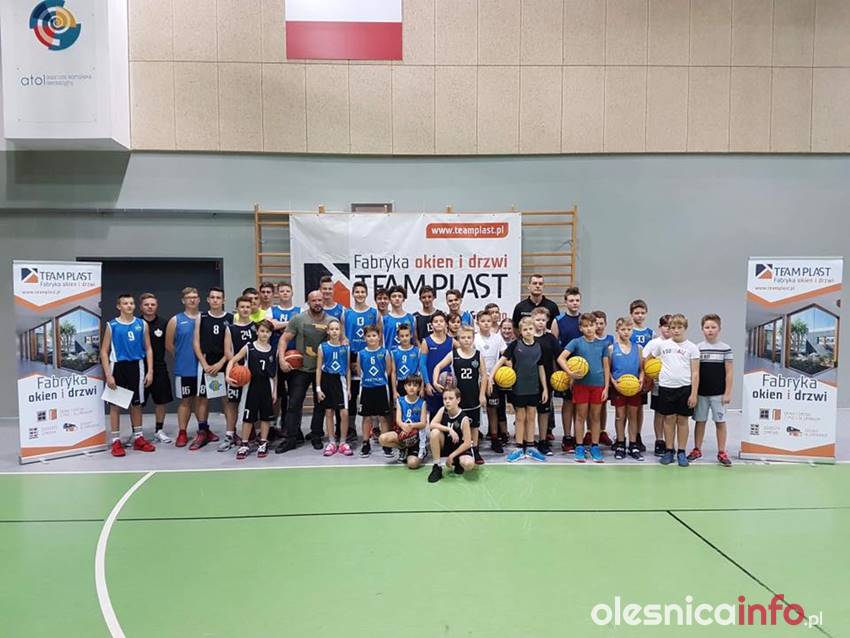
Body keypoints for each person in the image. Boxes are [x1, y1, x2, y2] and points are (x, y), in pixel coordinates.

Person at [101, 294, 155, 457]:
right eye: (125, 303)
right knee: (115, 406)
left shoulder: (141, 324)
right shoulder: (112, 325)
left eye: (131, 303)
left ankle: (138, 438)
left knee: (136, 404)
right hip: (117, 367)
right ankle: (116, 441)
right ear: (119, 306)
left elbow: (148, 349)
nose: (129, 306)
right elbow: (104, 351)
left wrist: (150, 371)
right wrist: (108, 375)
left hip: (137, 366)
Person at [642, 313, 700, 467]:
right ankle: (669, 450)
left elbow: (695, 372)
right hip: (666, 387)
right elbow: (648, 359)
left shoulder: (692, 348)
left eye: (679, 327)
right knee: (668, 419)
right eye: (673, 327)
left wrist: (694, 393)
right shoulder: (662, 345)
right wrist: (651, 373)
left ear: (685, 328)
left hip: (685, 388)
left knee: (682, 420)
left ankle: (681, 451)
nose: (676, 330)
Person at [275, 290, 329, 453]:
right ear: (308, 302)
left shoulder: (331, 321)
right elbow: (284, 339)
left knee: (320, 404)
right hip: (301, 369)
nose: (317, 303)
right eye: (314, 300)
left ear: (323, 301)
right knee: (294, 404)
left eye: (320, 300)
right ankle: (291, 438)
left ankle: (316, 434)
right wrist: (282, 359)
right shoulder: (298, 319)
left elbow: (338, 340)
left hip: (321, 370)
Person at [492, 317, 548, 463]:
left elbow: (541, 368)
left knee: (531, 417)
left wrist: (545, 388)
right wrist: (491, 376)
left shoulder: (539, 346)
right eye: (525, 329)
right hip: (519, 388)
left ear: (535, 330)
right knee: (520, 418)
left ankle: (530, 446)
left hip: (534, 387)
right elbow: (501, 360)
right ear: (520, 332)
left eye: (530, 329)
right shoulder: (515, 345)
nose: (528, 331)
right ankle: (518, 448)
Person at [557, 313, 610, 463]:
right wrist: (570, 373)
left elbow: (606, 367)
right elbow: (561, 358)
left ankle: (595, 446)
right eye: (585, 326)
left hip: (598, 385)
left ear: (596, 326)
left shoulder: (603, 344)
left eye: (591, 325)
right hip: (581, 385)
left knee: (595, 417)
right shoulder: (576, 342)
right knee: (580, 416)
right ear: (580, 328)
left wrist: (606, 387)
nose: (589, 329)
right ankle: (579, 446)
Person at [166, 287, 213, 449]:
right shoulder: (176, 320)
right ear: (183, 300)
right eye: (189, 297)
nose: (192, 300)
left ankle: (204, 429)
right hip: (185, 368)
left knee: (203, 400)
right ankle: (182, 432)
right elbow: (169, 344)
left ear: (199, 299)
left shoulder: (206, 318)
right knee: (186, 401)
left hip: (204, 367)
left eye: (195, 297)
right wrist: (182, 356)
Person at [433, 325, 488, 464]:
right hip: (457, 397)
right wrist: (435, 381)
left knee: (474, 426)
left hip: (473, 395)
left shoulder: (478, 355)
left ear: (473, 339)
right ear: (458, 339)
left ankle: (474, 449)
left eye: (469, 337)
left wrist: (482, 394)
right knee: (459, 423)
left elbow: (484, 376)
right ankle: (457, 448)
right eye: (463, 337)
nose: (466, 340)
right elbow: (438, 366)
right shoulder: (454, 354)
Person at [226, 320, 277, 460]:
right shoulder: (249, 347)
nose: (264, 334)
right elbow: (232, 360)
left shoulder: (273, 350)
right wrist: (228, 376)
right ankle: (244, 443)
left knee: (266, 417)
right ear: (257, 332)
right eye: (262, 331)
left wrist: (275, 391)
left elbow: (275, 374)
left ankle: (263, 442)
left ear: (271, 334)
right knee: (248, 417)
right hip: (251, 385)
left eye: (267, 332)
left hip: (267, 385)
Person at [690, 314, 733, 466]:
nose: (710, 330)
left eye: (713, 327)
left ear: (719, 329)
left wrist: (727, 393)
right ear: (702, 329)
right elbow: (694, 372)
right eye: (707, 327)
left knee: (720, 422)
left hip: (718, 395)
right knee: (700, 421)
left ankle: (722, 452)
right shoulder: (697, 348)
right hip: (701, 394)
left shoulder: (725, 349)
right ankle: (697, 449)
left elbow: (729, 372)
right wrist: (694, 393)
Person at [192, 287, 233, 449]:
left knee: (227, 399)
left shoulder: (230, 318)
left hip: (224, 361)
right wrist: (204, 363)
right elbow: (196, 343)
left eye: (218, 297)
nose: (215, 300)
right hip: (206, 361)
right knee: (203, 397)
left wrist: (221, 363)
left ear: (223, 300)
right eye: (213, 297)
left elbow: (231, 345)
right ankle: (203, 431)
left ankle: (230, 433)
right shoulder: (201, 317)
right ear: (208, 300)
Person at [220, 296, 257, 451]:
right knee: (232, 403)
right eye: (242, 307)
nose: (245, 309)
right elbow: (228, 351)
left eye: (248, 307)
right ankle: (230, 434)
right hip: (236, 370)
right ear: (237, 308)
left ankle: (251, 434)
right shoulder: (231, 328)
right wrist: (236, 367)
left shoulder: (256, 327)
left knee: (252, 403)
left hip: (253, 371)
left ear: (251, 308)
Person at [344, 281, 381, 438]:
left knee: (372, 390)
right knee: (352, 393)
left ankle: (376, 427)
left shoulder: (374, 313)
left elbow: (380, 335)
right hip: (352, 355)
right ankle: (351, 428)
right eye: (357, 292)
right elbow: (343, 334)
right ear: (353, 294)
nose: (360, 294)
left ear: (366, 294)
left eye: (362, 292)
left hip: (370, 354)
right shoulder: (346, 313)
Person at [608, 317, 644, 461]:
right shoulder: (612, 348)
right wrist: (613, 382)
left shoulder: (638, 348)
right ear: (617, 330)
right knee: (620, 416)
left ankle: (633, 445)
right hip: (618, 387)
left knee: (633, 416)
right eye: (623, 329)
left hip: (634, 388)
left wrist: (641, 379)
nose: (626, 332)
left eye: (629, 329)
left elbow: (642, 369)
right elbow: (608, 369)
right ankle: (620, 444)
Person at [139, 293, 174, 443]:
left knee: (161, 401)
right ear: (141, 307)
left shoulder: (164, 323)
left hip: (159, 368)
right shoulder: (136, 323)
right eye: (146, 304)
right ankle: (137, 433)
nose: (150, 307)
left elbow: (169, 344)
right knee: (137, 403)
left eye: (152, 304)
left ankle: (159, 430)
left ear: (157, 306)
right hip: (139, 368)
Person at [552, 286, 582, 453]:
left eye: (577, 300)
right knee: (568, 403)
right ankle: (567, 436)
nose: (574, 303)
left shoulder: (584, 320)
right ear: (565, 302)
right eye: (571, 300)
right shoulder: (558, 320)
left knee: (580, 404)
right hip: (565, 367)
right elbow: (554, 346)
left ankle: (579, 437)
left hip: (582, 369)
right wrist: (560, 370)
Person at [316, 318, 352, 456]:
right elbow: (318, 368)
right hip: (327, 379)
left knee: (344, 413)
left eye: (337, 329)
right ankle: (331, 442)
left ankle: (342, 442)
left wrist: (349, 388)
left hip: (340, 380)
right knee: (329, 412)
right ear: (327, 331)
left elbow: (348, 369)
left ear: (340, 331)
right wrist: (318, 388)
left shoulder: (345, 347)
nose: (334, 331)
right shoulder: (322, 347)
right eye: (332, 329)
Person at [268, 281, 300, 432]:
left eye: (287, 291)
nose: (285, 293)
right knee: (277, 393)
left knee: (294, 394)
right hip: (276, 357)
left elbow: (278, 325)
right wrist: (292, 322)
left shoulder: (300, 310)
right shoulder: (271, 310)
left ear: (292, 293)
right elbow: (271, 326)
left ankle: (290, 425)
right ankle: (273, 425)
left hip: (294, 357)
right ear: (278, 294)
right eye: (282, 291)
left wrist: (280, 324)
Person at [426, 387, 476, 483]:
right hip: (447, 445)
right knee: (434, 432)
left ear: (458, 400)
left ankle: (457, 461)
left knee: (468, 464)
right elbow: (432, 424)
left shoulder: (464, 418)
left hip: (460, 448)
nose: (447, 401)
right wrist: (449, 429)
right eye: (445, 399)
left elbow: (467, 443)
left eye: (450, 398)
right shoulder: (443, 410)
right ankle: (437, 467)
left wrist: (452, 456)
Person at [356, 325, 392, 458]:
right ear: (364, 338)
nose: (371, 338)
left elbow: (388, 370)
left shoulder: (384, 352)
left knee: (383, 417)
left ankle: (386, 444)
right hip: (366, 388)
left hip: (381, 387)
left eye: (374, 335)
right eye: (368, 336)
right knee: (366, 417)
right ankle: (366, 443)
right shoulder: (361, 353)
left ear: (379, 337)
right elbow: (359, 371)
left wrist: (379, 379)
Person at [474, 310, 507, 453]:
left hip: (493, 379)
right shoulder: (474, 338)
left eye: (488, 321)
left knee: (492, 409)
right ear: (477, 323)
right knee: (475, 409)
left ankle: (494, 437)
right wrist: (483, 378)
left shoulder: (498, 338)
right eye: (483, 321)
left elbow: (505, 355)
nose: (486, 323)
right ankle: (474, 439)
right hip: (476, 379)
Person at [379, 375, 428, 468]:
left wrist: (411, 426)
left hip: (416, 437)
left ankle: (422, 451)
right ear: (405, 387)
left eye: (415, 385)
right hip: (402, 433)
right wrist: (404, 427)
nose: (412, 387)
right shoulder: (400, 401)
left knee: (412, 464)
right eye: (409, 385)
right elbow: (398, 420)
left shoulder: (422, 403)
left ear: (419, 388)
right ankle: (403, 448)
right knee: (382, 438)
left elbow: (423, 423)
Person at [532, 307, 559, 456]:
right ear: (532, 320)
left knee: (544, 412)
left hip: (547, 380)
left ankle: (543, 441)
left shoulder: (550, 338)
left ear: (547, 320)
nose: (540, 322)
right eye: (537, 320)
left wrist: (569, 372)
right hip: (529, 380)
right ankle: (528, 441)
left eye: (543, 320)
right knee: (529, 412)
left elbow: (560, 356)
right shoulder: (527, 337)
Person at [643, 315, 672, 456]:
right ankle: (659, 441)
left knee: (671, 415)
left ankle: (670, 442)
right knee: (659, 413)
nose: (668, 329)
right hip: (657, 384)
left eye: (671, 326)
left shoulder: (677, 344)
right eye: (665, 326)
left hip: (673, 384)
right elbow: (644, 360)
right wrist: (648, 377)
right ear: (660, 327)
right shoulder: (654, 343)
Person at [629, 299, 653, 452]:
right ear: (631, 314)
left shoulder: (650, 333)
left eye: (642, 313)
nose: (639, 315)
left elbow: (653, 356)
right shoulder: (627, 330)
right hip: (628, 374)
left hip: (643, 375)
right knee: (625, 409)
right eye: (636, 313)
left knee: (639, 408)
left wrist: (649, 376)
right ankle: (623, 437)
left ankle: (637, 435)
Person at [419, 310, 453, 420]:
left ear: (446, 324)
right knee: (434, 415)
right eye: (436, 321)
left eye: (441, 321)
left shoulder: (451, 341)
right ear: (431, 325)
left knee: (448, 414)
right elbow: (422, 365)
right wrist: (427, 384)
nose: (438, 323)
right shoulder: (426, 341)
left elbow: (464, 350)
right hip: (432, 385)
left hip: (447, 384)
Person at [592, 309, 614, 447]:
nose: (599, 326)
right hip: (592, 377)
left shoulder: (611, 339)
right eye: (596, 323)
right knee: (591, 408)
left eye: (601, 323)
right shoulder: (589, 338)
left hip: (605, 377)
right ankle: (590, 432)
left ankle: (602, 431)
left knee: (603, 406)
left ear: (605, 324)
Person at [390, 323, 422, 403]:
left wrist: (421, 388)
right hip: (400, 384)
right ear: (398, 337)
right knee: (400, 407)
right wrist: (394, 391)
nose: (405, 338)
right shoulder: (394, 352)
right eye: (402, 336)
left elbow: (421, 370)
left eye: (407, 335)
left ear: (411, 335)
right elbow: (393, 372)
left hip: (414, 383)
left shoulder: (417, 351)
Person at [382, 285, 415, 350]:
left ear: (403, 299)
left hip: (407, 355)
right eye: (394, 296)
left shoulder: (411, 318)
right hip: (390, 355)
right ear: (389, 299)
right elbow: (380, 342)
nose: (397, 298)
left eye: (400, 296)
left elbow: (414, 340)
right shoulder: (384, 319)